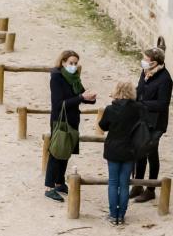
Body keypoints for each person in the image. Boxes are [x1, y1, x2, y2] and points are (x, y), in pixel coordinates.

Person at [46, 50, 97, 202]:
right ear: (63, 62)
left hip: (73, 119)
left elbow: (80, 95)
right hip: (60, 120)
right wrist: (81, 97)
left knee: (66, 152)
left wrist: (90, 98)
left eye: (75, 63)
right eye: (71, 63)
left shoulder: (74, 78)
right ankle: (49, 187)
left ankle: (59, 182)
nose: (73, 66)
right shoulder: (56, 78)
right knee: (56, 152)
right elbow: (58, 104)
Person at [99, 81, 141, 225]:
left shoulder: (111, 108)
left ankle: (113, 215)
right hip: (130, 149)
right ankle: (121, 215)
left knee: (113, 182)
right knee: (124, 184)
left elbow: (103, 125)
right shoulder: (137, 108)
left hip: (113, 149)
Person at [133, 47, 171, 202]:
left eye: (146, 59)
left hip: (156, 123)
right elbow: (139, 89)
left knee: (151, 153)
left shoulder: (165, 79)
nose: (143, 62)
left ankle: (150, 189)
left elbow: (162, 104)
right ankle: (138, 184)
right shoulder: (145, 72)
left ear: (155, 62)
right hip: (142, 119)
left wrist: (141, 103)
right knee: (139, 152)